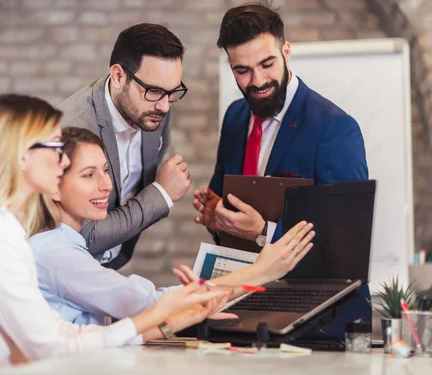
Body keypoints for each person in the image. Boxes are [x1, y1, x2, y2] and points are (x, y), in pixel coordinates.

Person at [0, 94, 232, 375]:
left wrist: (166, 319)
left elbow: (60, 334)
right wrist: (158, 314)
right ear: (22, 155)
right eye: (54, 147)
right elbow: (49, 348)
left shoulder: (3, 228)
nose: (64, 160)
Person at [194, 2, 370, 341]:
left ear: (286, 51)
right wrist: (217, 220)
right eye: (242, 70)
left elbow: (348, 250)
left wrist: (263, 232)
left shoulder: (335, 129)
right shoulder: (234, 118)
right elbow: (231, 222)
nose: (257, 81)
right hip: (246, 306)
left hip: (317, 322)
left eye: (267, 64)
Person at [31, 126, 315, 326]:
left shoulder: (59, 245)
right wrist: (260, 272)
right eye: (88, 175)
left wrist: (188, 312)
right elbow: (151, 303)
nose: (106, 185)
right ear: (54, 187)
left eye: (106, 170)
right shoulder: (58, 253)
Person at [59, 23, 190, 270]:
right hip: (64, 272)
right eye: (154, 91)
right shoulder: (73, 130)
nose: (165, 106)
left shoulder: (154, 110)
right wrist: (161, 194)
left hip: (110, 265)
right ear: (119, 76)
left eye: (172, 93)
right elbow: (83, 235)